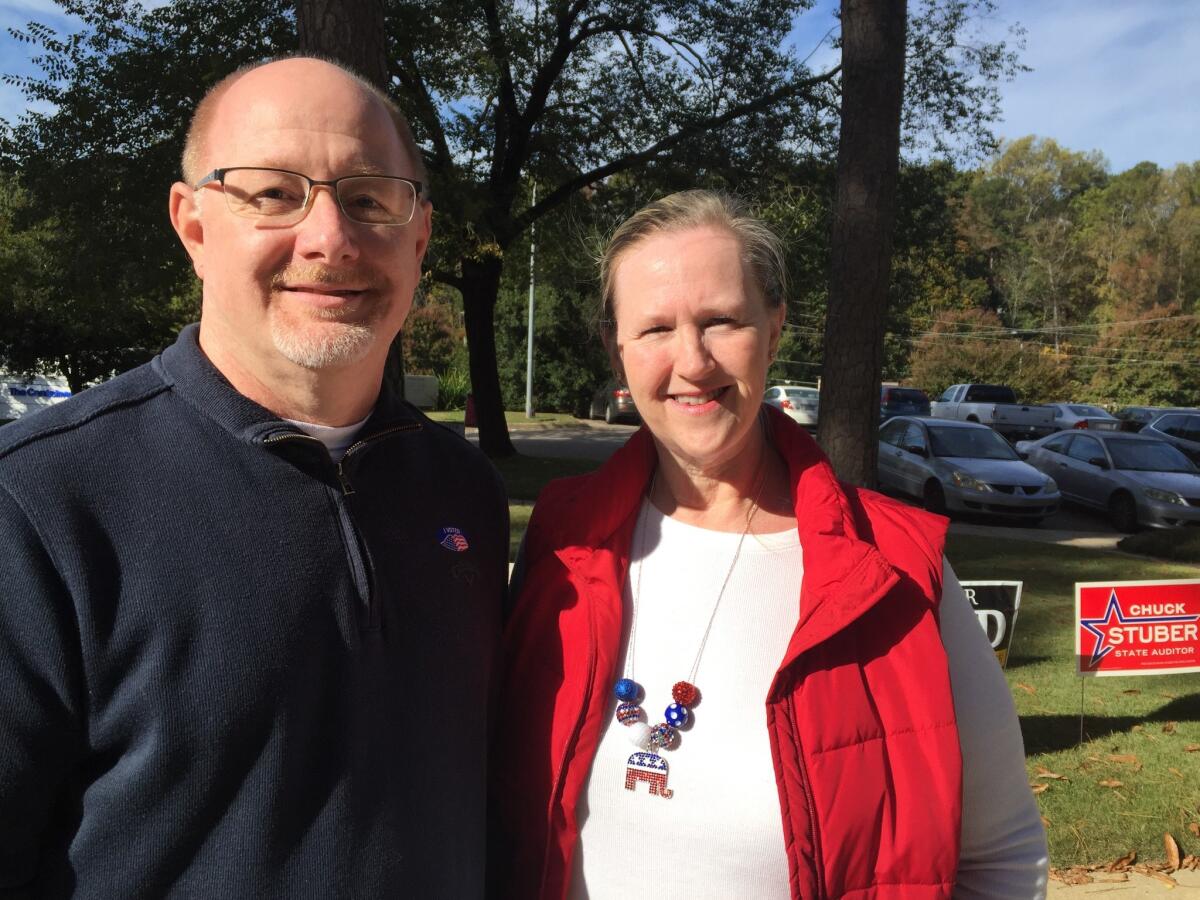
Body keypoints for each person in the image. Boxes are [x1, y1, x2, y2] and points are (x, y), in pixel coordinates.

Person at [0, 57, 508, 898]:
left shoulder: (464, 493)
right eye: (273, 193)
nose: (330, 238)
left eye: (370, 198)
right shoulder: (40, 504)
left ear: (418, 240)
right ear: (193, 226)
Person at [491, 191, 1048, 899]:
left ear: (774, 329)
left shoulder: (896, 572)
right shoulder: (559, 542)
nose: (692, 361)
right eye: (656, 328)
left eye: (721, 320)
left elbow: (1002, 857)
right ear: (616, 348)